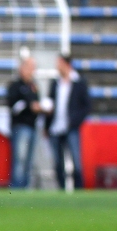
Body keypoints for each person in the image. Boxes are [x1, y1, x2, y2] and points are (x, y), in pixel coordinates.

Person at [44, 53, 91, 190]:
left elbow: (86, 106)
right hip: (55, 127)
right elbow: (50, 104)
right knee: (58, 162)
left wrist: (75, 121)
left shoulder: (79, 82)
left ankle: (78, 190)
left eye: (59, 64)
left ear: (67, 64)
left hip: (71, 127)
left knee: (76, 162)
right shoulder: (55, 82)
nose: (57, 67)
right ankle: (62, 189)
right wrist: (47, 125)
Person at [6, 57, 41, 188]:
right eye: (30, 67)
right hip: (20, 126)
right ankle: (16, 187)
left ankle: (25, 187)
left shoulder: (33, 86)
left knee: (28, 161)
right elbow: (14, 106)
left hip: (33, 126)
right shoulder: (15, 86)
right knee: (20, 159)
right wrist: (29, 105)